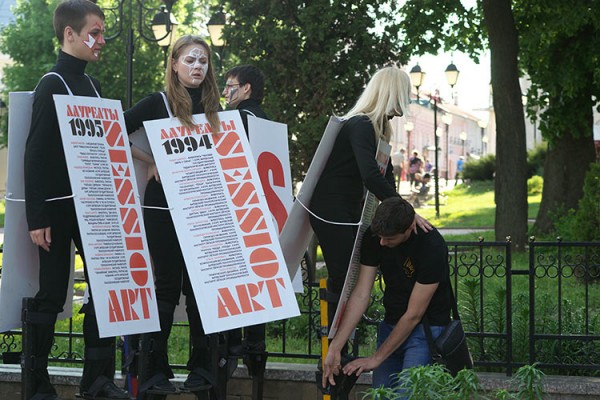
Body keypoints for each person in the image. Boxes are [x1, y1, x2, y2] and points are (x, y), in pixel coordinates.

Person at [23, 1, 128, 399]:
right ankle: (36, 383)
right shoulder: (51, 83)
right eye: (96, 32)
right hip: (56, 209)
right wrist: (38, 216)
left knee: (106, 286)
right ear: (70, 34)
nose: (102, 41)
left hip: (94, 207)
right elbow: (36, 154)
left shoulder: (93, 87)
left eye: (102, 33)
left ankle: (97, 379)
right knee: (51, 293)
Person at [308, 66, 431, 372]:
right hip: (332, 210)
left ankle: (338, 348)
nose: (404, 105)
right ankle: (334, 352)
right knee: (343, 280)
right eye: (404, 96)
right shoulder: (361, 125)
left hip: (347, 210)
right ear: (391, 93)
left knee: (349, 280)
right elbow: (370, 176)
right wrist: (406, 211)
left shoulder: (378, 130)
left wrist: (404, 211)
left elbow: (384, 178)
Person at [124, 35, 221, 394]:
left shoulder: (215, 110)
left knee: (201, 287)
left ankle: (203, 369)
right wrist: (152, 162)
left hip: (202, 207)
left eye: (204, 62)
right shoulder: (158, 103)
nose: (198, 67)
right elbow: (114, 130)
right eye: (190, 60)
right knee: (165, 286)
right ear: (175, 64)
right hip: (163, 206)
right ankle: (153, 371)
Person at [322, 197, 452, 398]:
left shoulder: (431, 245)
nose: (382, 243)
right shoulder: (375, 237)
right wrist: (335, 347)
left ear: (409, 228)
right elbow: (361, 294)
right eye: (380, 237)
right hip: (391, 325)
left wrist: (375, 359)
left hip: (426, 330)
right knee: (381, 395)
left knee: (405, 395)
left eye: (389, 239)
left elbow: (414, 314)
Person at [222, 64, 268, 356]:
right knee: (257, 279)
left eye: (230, 85)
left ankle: (233, 343)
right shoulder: (264, 119)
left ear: (246, 88)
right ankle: (255, 342)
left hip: (237, 211)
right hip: (261, 215)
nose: (225, 92)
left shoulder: (238, 118)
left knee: (235, 278)